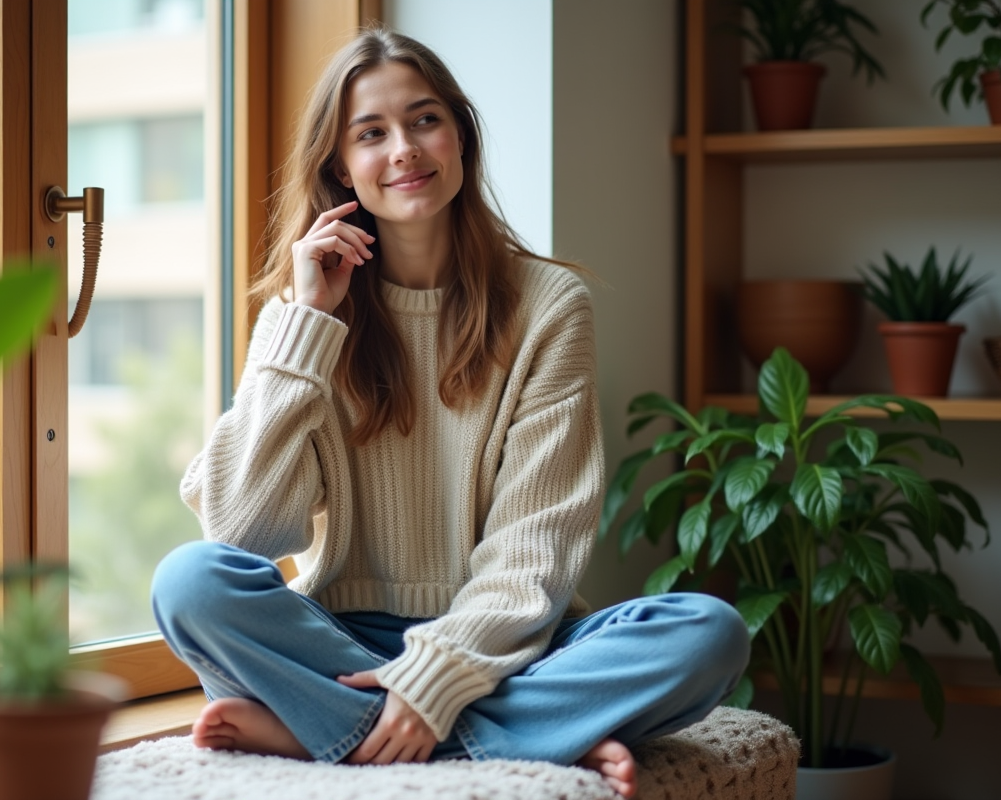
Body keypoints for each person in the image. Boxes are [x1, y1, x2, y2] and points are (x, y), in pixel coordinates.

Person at [151, 26, 749, 799]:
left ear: (460, 135)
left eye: (425, 119)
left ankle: (326, 730)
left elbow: (536, 547)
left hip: (508, 643)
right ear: (340, 167)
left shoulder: (548, 305)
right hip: (341, 639)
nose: (404, 149)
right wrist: (307, 326)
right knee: (188, 582)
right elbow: (243, 535)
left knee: (710, 634)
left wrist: (437, 678)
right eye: (371, 133)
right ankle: (531, 734)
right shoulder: (301, 315)